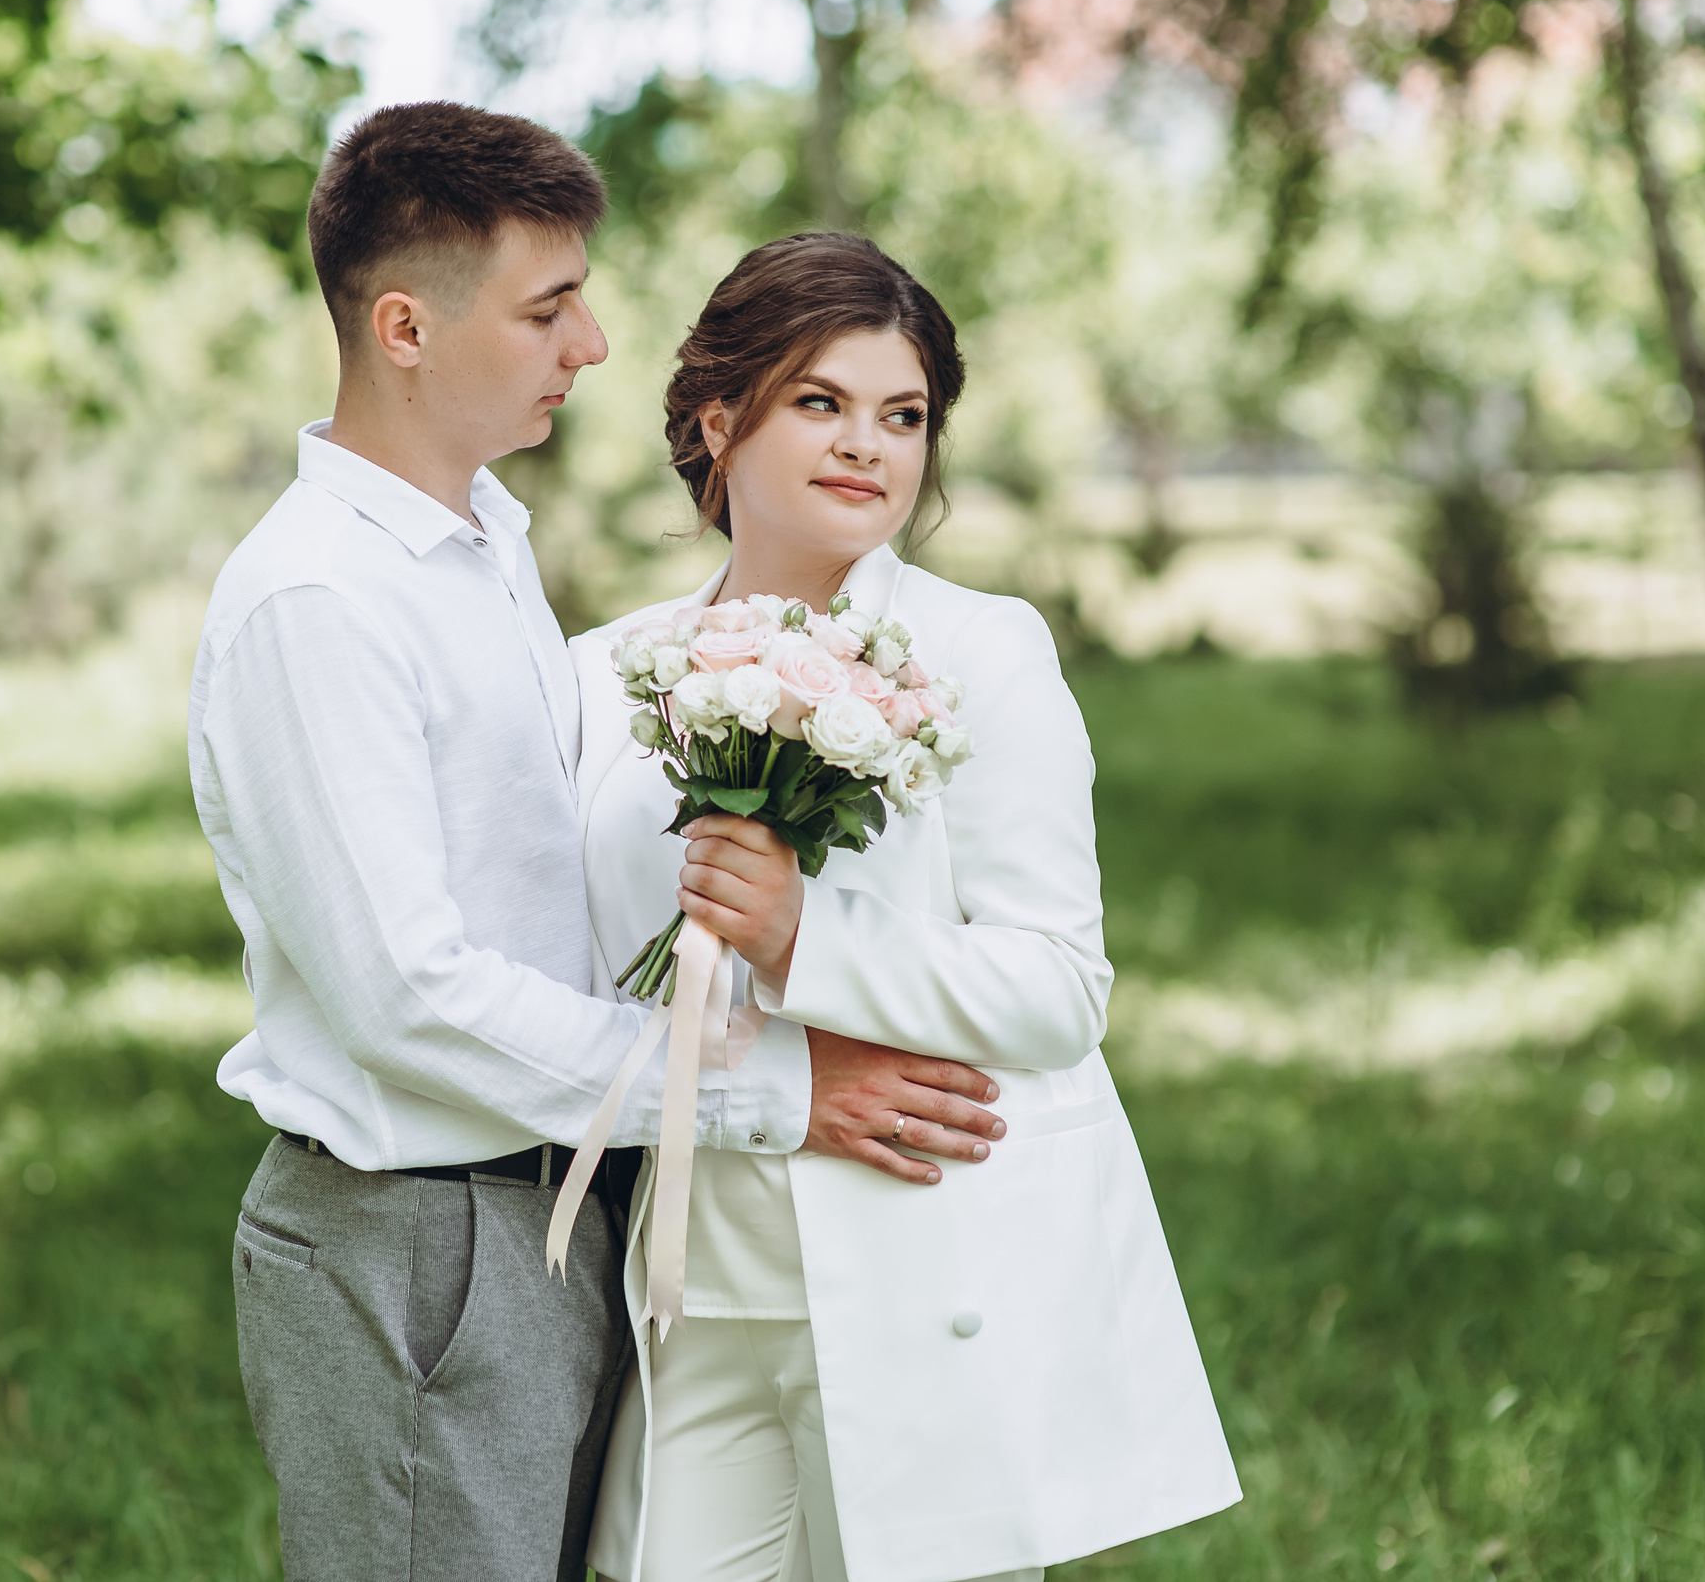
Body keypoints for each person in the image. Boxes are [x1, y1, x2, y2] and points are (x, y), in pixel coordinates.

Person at [187, 106, 1010, 1582]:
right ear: (405, 327)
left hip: (560, 1213)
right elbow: (408, 999)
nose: (595, 344)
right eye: (549, 307)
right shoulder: (318, 601)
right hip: (416, 1244)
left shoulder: (483, 546)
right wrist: (774, 1089)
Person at [572, 233, 1242, 1582]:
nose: (867, 446)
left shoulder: (982, 653)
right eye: (821, 402)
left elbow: (1060, 985)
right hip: (690, 1288)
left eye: (905, 415)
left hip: (921, 1267)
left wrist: (804, 939)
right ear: (719, 417)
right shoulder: (603, 677)